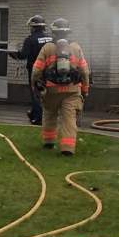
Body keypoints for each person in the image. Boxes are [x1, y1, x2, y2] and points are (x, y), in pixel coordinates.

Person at [31, 18, 90, 155]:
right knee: (69, 120)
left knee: (49, 115)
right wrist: (85, 90)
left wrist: (36, 84)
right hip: (72, 91)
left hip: (51, 90)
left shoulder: (48, 48)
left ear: (54, 31)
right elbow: (85, 71)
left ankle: (48, 142)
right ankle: (67, 149)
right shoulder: (75, 47)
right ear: (68, 32)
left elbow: (36, 70)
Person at [12, 15, 53, 125]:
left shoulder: (30, 40)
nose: (30, 29)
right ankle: (35, 114)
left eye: (31, 27)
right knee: (47, 93)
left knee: (36, 93)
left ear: (34, 27)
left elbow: (23, 55)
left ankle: (38, 118)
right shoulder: (50, 38)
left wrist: (13, 54)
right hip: (49, 71)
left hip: (35, 70)